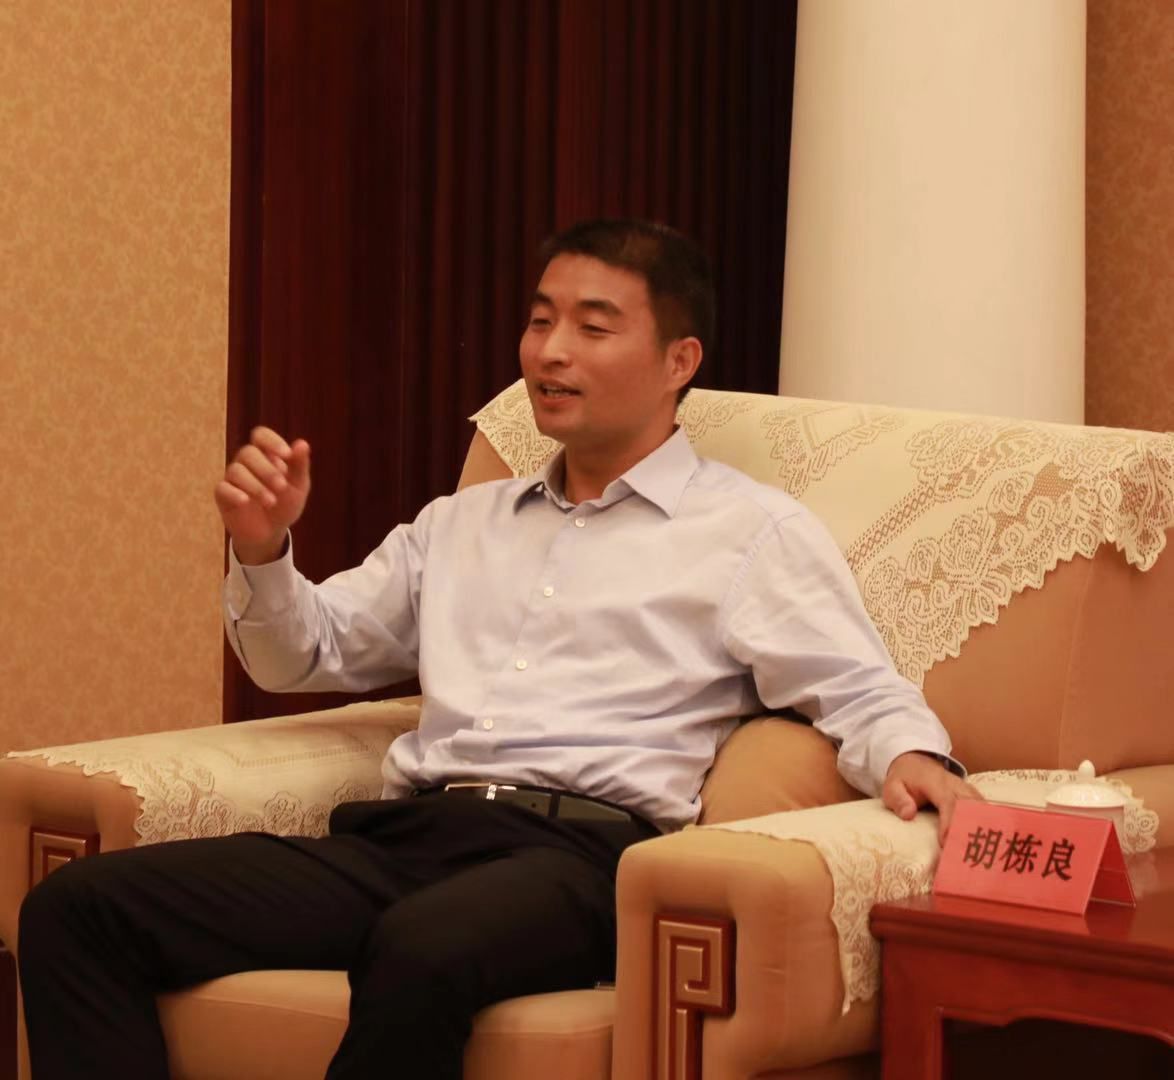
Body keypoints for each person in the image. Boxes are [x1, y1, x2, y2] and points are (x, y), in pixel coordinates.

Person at [18, 220, 979, 1079]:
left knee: (423, 947)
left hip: (582, 861)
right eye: (539, 320)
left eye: (593, 327)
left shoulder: (748, 533)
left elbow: (857, 686)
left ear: (678, 360)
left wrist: (913, 756)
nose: (550, 351)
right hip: (408, 840)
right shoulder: (462, 522)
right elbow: (302, 657)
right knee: (77, 908)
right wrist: (265, 552)